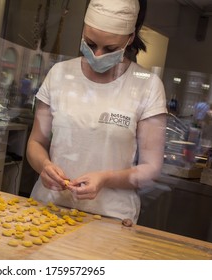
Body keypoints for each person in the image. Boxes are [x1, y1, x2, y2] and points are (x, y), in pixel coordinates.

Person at [26, 0, 167, 223]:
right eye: (90, 44)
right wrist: (44, 166)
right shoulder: (60, 74)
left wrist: (106, 178)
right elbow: (36, 143)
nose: (98, 55)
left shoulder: (147, 86)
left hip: (110, 217)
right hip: (49, 209)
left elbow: (151, 167)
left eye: (110, 49)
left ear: (129, 39)